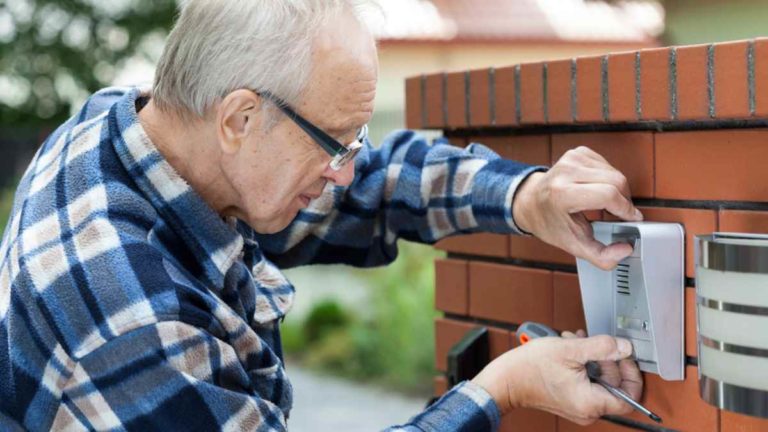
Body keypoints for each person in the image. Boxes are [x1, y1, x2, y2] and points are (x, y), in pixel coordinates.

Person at [0, 1, 645, 430]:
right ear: (239, 118)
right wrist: (497, 390)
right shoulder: (128, 314)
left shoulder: (149, 131)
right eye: (334, 143)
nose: (344, 170)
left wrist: (525, 197)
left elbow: (376, 186)